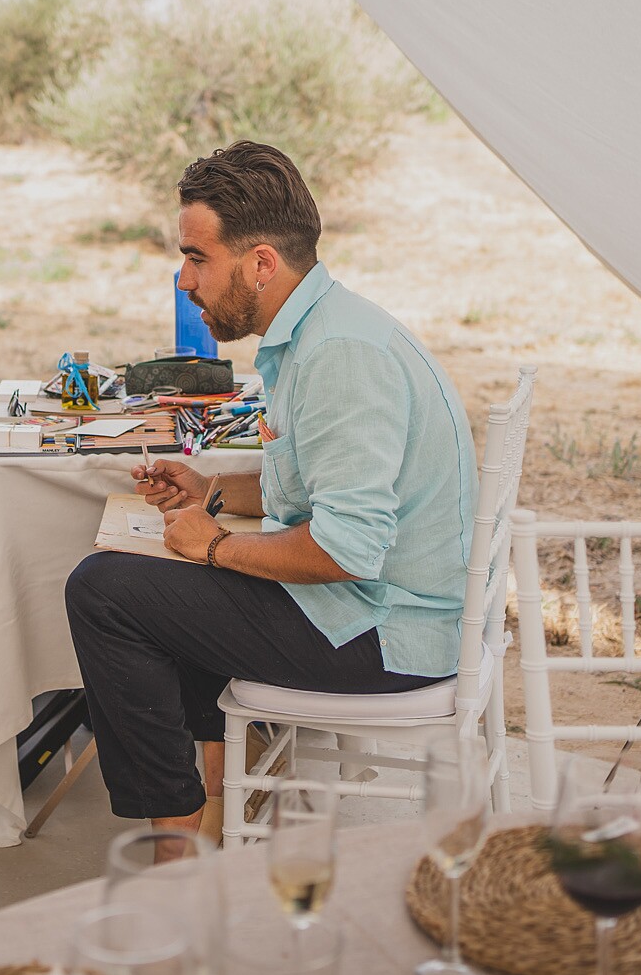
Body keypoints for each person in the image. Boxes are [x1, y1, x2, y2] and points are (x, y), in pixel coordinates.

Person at [64, 141, 477, 839]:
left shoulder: (339, 356)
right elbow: (319, 480)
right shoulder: (324, 329)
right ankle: (200, 811)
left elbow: (348, 548)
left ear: (260, 263)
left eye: (198, 257)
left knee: (102, 592)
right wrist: (213, 493)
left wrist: (217, 546)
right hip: (379, 611)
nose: (183, 279)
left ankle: (178, 833)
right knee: (145, 584)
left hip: (386, 634)